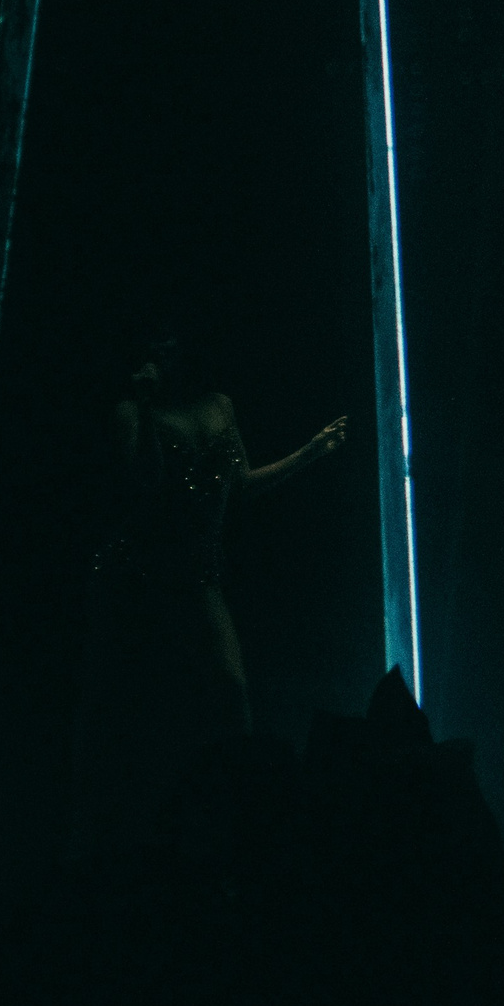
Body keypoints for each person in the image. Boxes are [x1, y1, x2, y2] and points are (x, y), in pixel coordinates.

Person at [70, 333, 348, 855]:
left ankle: (241, 826)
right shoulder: (131, 411)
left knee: (229, 689)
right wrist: (147, 408)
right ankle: (121, 840)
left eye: (174, 347)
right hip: (138, 576)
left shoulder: (220, 407)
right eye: (159, 348)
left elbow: (239, 485)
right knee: (137, 704)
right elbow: (142, 481)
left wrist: (311, 452)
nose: (166, 356)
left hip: (199, 576)